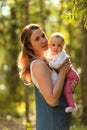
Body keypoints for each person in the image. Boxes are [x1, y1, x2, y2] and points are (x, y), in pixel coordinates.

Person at [17, 24, 78, 130]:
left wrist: (69, 85)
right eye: (37, 39)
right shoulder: (38, 65)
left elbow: (56, 90)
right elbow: (52, 101)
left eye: (43, 36)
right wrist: (63, 73)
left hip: (59, 122)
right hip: (51, 124)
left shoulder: (48, 61)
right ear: (30, 45)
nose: (43, 40)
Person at [45, 32, 79, 113]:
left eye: (59, 45)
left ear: (63, 47)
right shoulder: (50, 54)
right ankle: (71, 105)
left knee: (66, 90)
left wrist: (47, 62)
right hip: (67, 76)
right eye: (53, 45)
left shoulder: (62, 55)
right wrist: (47, 60)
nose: (56, 47)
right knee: (66, 90)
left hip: (72, 76)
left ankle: (72, 106)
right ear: (49, 45)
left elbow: (57, 65)